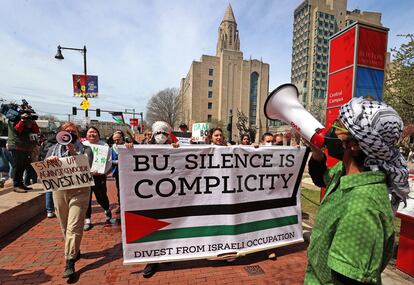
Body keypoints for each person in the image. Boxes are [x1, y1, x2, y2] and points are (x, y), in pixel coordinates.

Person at [304, 97, 409, 284]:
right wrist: (317, 155)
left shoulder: (363, 207)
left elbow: (348, 279)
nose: (332, 130)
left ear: (354, 145)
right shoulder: (344, 173)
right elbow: (321, 179)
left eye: (339, 124)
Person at [45, 122, 93, 279]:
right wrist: (49, 163)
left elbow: (88, 166)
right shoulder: (53, 149)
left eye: (74, 132)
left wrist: (74, 154)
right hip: (60, 190)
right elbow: (44, 170)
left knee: (74, 225)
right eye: (67, 132)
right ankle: (74, 250)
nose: (70, 134)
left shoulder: (86, 149)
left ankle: (69, 261)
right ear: (61, 133)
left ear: (78, 135)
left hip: (80, 191)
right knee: (65, 226)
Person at [142, 121, 178, 278]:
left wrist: (178, 150)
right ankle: (151, 260)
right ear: (152, 134)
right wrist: (129, 149)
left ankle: (167, 253)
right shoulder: (142, 149)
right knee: (152, 226)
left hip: (170, 196)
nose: (161, 136)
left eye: (164, 133)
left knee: (169, 224)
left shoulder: (175, 149)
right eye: (158, 133)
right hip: (150, 197)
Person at [82, 126, 112, 231]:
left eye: (94, 132)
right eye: (90, 132)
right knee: (86, 198)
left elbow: (109, 160)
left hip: (99, 176)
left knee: (101, 196)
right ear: (86, 135)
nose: (92, 134)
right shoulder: (83, 145)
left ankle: (107, 209)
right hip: (85, 176)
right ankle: (87, 220)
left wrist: (103, 172)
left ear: (98, 134)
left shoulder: (104, 145)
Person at [7, 110, 39, 193]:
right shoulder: (14, 120)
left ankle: (21, 184)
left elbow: (36, 131)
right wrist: (22, 120)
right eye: (27, 115)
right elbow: (17, 130)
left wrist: (33, 122)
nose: (28, 116)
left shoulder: (29, 122)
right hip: (17, 147)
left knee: (23, 166)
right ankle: (16, 185)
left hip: (26, 147)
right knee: (17, 166)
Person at [39, 131, 58, 218]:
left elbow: (41, 153)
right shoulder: (58, 144)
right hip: (57, 168)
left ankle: (49, 210)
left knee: (49, 189)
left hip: (46, 167)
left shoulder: (45, 142)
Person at [110, 130, 125, 214]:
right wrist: (116, 162)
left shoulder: (126, 146)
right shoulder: (111, 149)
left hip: (127, 172)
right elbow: (108, 160)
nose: (116, 141)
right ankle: (120, 205)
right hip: (117, 172)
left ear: (122, 138)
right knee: (119, 189)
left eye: (118, 139)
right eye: (114, 139)